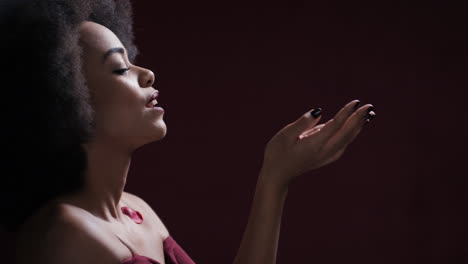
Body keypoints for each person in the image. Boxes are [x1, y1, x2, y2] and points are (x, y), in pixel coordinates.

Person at [0, 0, 376, 264]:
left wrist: (275, 178)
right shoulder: (65, 238)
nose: (146, 74)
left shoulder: (139, 212)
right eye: (119, 68)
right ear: (66, 99)